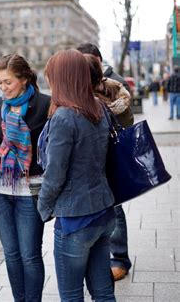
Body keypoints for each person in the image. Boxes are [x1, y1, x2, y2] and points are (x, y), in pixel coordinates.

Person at [38, 49, 116, 301]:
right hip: (103, 211)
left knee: (71, 295)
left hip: (75, 219)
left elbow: (55, 173)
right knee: (103, 292)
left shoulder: (64, 117)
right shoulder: (99, 109)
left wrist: (43, 207)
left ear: (62, 78)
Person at [0, 54, 50, 301]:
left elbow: (49, 149)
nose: (3, 88)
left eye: (7, 82)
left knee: (30, 254)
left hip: (29, 191)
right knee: (11, 254)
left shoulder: (45, 104)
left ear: (23, 79)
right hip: (1, 189)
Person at [77, 42, 133, 281]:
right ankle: (100, 257)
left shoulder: (113, 84)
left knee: (115, 207)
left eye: (90, 61)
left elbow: (127, 120)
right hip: (88, 158)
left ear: (99, 60)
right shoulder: (77, 83)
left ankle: (119, 258)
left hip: (111, 153)